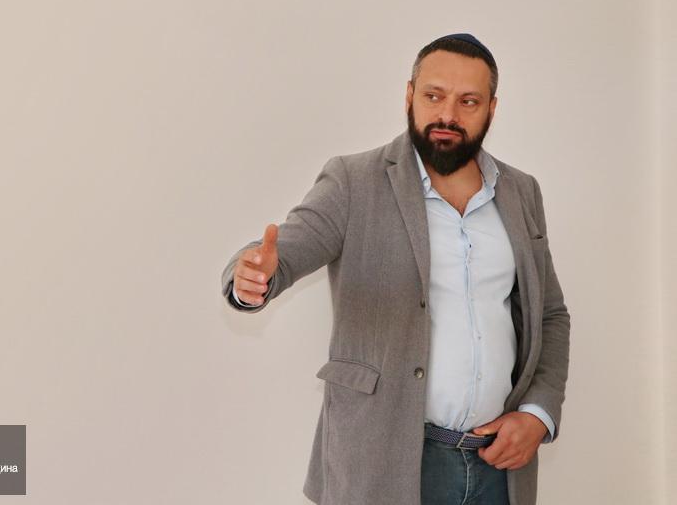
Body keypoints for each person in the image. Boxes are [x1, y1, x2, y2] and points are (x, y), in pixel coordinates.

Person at [219, 33, 570, 505]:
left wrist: (537, 414)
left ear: (492, 108)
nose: (448, 115)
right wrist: (252, 277)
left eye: (468, 101)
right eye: (433, 96)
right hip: (383, 463)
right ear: (409, 95)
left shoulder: (521, 192)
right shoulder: (354, 181)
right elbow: (284, 251)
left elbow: (549, 315)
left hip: (498, 467)